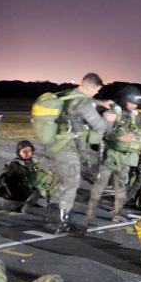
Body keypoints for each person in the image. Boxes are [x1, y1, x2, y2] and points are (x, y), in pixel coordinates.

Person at [41, 73, 116, 233]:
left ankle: (51, 219)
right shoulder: (84, 103)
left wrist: (100, 103)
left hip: (53, 145)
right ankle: (61, 222)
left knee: (59, 182)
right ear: (91, 86)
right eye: (96, 90)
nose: (96, 94)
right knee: (70, 184)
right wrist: (108, 119)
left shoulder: (66, 94)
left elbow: (84, 101)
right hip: (68, 148)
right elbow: (99, 127)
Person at [86, 85, 141, 224]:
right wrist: (119, 137)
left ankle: (117, 213)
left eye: (136, 103)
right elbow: (105, 133)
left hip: (126, 156)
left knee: (121, 185)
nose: (135, 105)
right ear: (124, 100)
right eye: (132, 102)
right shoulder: (113, 112)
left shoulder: (132, 114)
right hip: (111, 155)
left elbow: (137, 129)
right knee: (100, 184)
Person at [0, 140, 52, 213]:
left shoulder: (34, 164)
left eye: (29, 151)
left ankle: (39, 200)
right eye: (24, 151)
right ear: (19, 152)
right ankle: (24, 206)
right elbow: (4, 177)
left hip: (28, 190)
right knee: (37, 191)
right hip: (17, 191)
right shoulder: (15, 165)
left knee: (42, 187)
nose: (27, 153)